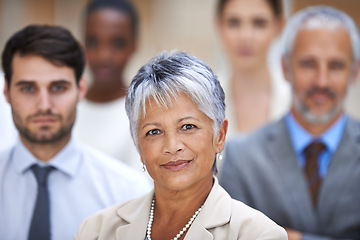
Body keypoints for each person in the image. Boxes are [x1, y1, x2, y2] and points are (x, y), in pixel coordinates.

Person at [74, 51, 287, 240]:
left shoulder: (258, 235)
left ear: (220, 136)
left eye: (188, 127)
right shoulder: (96, 231)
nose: (172, 146)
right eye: (154, 132)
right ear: (138, 146)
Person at [219, 6, 360, 240]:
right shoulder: (242, 159)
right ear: (285, 68)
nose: (321, 81)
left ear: (354, 71)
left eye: (335, 66)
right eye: (308, 64)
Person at [0, 24, 151, 240]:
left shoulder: (128, 194)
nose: (44, 105)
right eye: (28, 88)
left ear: (80, 89)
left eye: (58, 87)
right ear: (6, 91)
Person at [73, 0, 142, 172]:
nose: (104, 56)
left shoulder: (143, 116)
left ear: (134, 45)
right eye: (93, 42)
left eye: (117, 43)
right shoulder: (63, 109)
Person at [216, 0, 291, 136]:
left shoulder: (295, 100)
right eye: (234, 22)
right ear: (219, 25)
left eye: (259, 23)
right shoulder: (201, 103)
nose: (245, 36)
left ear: (279, 26)